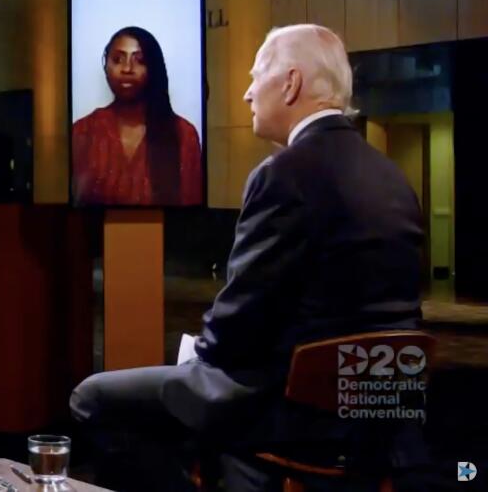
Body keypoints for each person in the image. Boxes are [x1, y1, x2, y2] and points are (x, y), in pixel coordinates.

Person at [69, 25, 425, 491]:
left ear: (291, 83)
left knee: (92, 397)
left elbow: (237, 325)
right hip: (381, 420)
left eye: (257, 76)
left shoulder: (283, 175)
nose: (246, 93)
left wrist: (200, 349)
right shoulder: (392, 177)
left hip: (290, 411)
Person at [71, 26, 201, 206]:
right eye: (117, 59)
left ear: (153, 68)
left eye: (139, 60)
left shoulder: (184, 134)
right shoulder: (83, 131)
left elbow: (192, 214)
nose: (127, 68)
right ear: (106, 66)